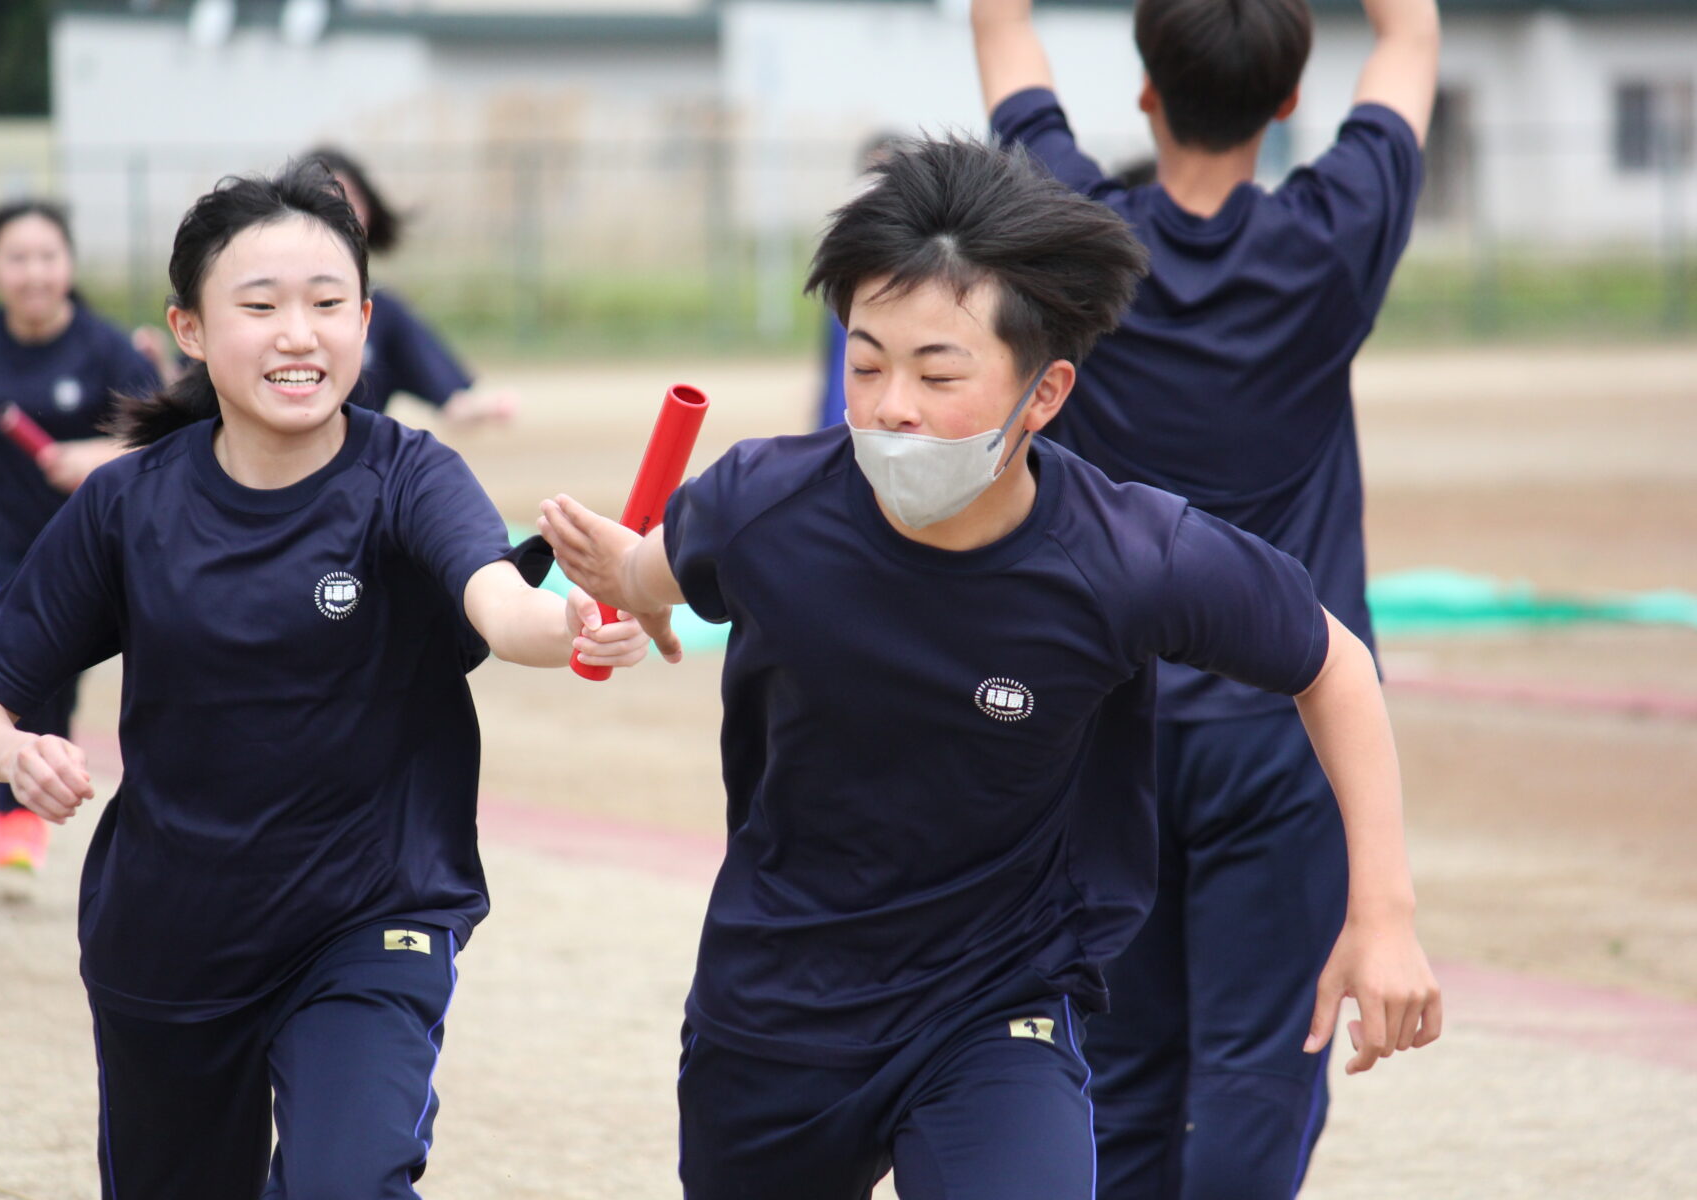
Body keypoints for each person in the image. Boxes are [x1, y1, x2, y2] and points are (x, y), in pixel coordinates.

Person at [537, 136, 1439, 1200]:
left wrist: (1382, 916)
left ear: (1044, 394)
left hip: (995, 1005)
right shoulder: (761, 505)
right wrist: (620, 595)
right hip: (780, 1005)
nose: (891, 408)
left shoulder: (1125, 558)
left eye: (937, 372)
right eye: (866, 364)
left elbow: (1330, 660)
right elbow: (658, 566)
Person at [0, 160, 669, 1198]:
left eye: (328, 304)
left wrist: (580, 623)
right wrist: (19, 752)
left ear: (365, 320)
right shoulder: (127, 506)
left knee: (348, 1182)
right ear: (188, 328)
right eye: (261, 305)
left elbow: (500, 607)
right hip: (170, 934)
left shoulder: (407, 475)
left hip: (369, 914)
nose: (299, 334)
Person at [969, 0, 1440, 1194]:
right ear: (1290, 104)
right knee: (1260, 1072)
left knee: (1116, 1079)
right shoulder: (1331, 245)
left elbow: (1000, 27)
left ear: (1143, 90)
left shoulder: (1078, 243)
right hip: (1287, 728)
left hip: (1104, 727)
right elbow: (1411, 37)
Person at [0, 200, 160, 879]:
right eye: (17, 258)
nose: (34, 273)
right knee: (19, 659)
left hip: (82, 549)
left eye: (47, 257)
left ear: (68, 264)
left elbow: (163, 439)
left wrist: (91, 456)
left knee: (57, 677)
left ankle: (32, 788)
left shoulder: (107, 350)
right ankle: (15, 816)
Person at [303, 146, 518, 425]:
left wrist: (485, 406)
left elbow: (451, 398)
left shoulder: (385, 312)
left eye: (351, 198)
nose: (340, 212)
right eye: (324, 200)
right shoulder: (260, 312)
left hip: (357, 466)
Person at [817, 132, 904, 429]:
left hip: (889, 295)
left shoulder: (902, 200)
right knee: (847, 368)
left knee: (862, 366)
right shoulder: (862, 199)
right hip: (853, 294)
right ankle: (832, 431)